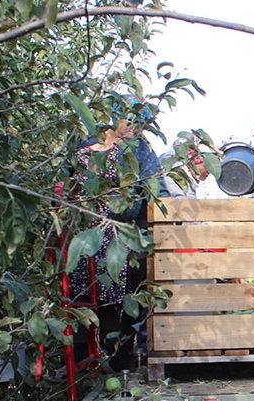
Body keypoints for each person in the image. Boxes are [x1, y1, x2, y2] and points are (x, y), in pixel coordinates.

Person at [62, 93, 166, 372]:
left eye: (141, 122)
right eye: (131, 119)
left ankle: (120, 355)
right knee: (93, 275)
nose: (136, 126)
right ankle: (99, 353)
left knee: (130, 272)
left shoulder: (140, 150)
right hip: (87, 236)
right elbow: (62, 185)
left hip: (122, 234)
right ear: (113, 117)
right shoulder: (84, 148)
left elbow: (158, 189)